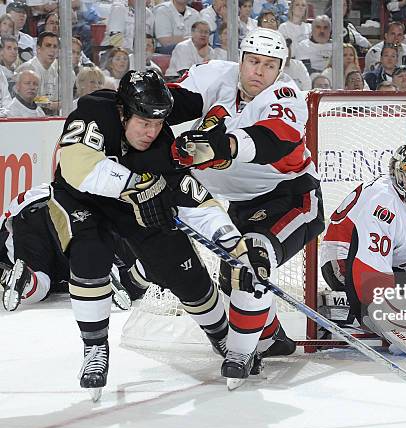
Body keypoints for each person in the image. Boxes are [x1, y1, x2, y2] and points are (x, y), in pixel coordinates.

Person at [52, 69, 266, 398]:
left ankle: (222, 335)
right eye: (144, 122)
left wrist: (238, 252)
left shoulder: (163, 145)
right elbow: (77, 165)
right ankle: (95, 348)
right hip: (81, 199)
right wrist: (136, 186)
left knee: (186, 273)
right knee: (89, 255)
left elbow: (200, 205)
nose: (152, 132)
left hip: (133, 207)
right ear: (123, 111)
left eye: (158, 123)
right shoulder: (94, 112)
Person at [169, 28, 324, 386]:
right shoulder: (212, 75)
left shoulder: (286, 95)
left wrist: (222, 147)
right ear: (241, 59)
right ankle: (272, 340)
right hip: (240, 205)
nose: (259, 72)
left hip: (292, 198)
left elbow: (273, 139)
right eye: (253, 61)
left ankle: (238, 356)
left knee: (251, 262)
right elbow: (171, 102)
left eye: (270, 65)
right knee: (234, 278)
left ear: (280, 69)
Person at [319, 141, 406, 358]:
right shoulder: (382, 202)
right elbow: (368, 270)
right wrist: (380, 314)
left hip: (386, 254)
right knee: (375, 306)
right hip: (341, 258)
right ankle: (345, 316)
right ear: (398, 176)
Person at [0, 184, 147, 312]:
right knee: (97, 260)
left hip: (25, 212)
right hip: (65, 207)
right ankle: (100, 276)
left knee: (40, 282)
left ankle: (26, 278)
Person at [15, 31, 61, 115]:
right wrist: (50, 104)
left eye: (55, 47)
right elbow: (27, 97)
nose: (52, 50)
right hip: (25, 114)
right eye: (48, 45)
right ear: (38, 49)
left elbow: (57, 98)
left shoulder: (55, 70)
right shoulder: (28, 68)